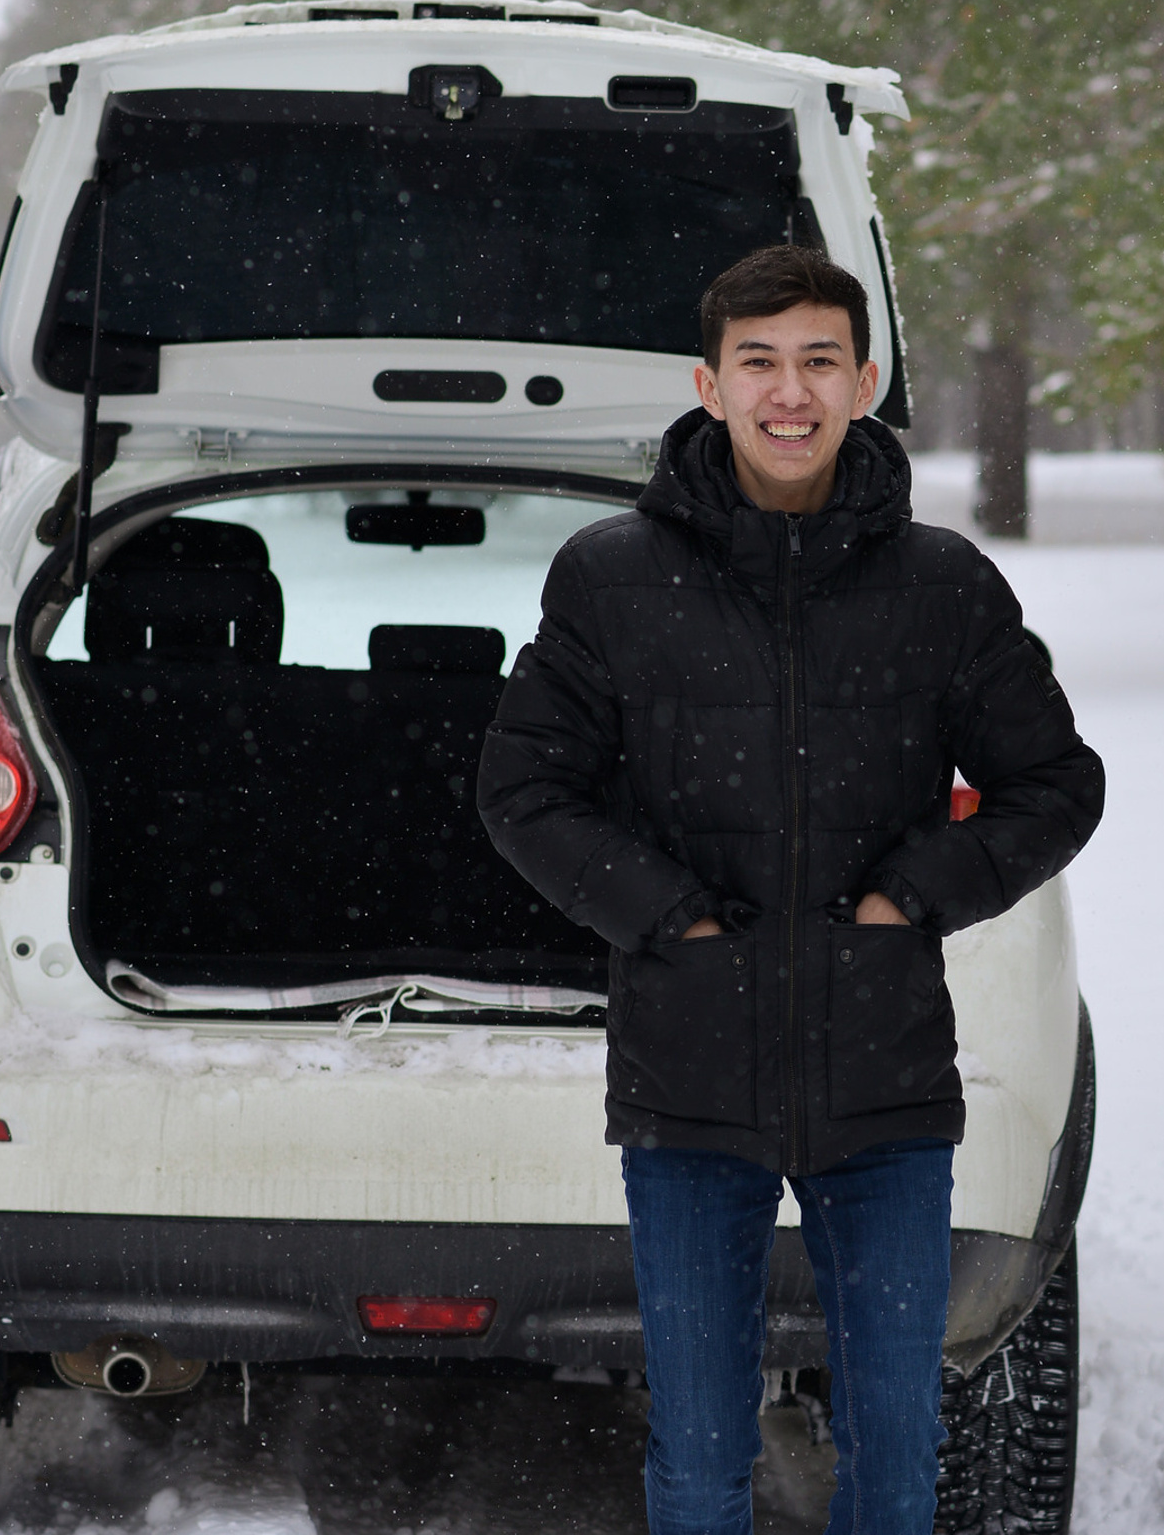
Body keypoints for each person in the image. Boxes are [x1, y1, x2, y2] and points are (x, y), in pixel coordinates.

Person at [477, 244, 1105, 1535]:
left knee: (893, 1469)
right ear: (707, 385)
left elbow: (1058, 784)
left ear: (865, 382)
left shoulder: (943, 589)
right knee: (703, 1469)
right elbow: (524, 790)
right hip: (689, 1081)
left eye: (820, 361)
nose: (790, 392)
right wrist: (668, 918)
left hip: (884, 1086)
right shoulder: (611, 579)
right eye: (759, 362)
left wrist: (913, 896)